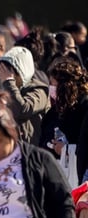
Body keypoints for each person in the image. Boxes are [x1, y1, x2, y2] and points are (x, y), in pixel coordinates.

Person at [40, 57, 88, 186]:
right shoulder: (56, 109)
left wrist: (66, 149)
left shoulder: (84, 107)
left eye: (54, 84)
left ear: (66, 85)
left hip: (78, 177)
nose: (51, 88)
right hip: (54, 175)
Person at [0, 46, 49, 145]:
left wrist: (9, 82)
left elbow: (22, 110)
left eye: (10, 73)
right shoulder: (8, 90)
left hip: (33, 153)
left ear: (22, 72)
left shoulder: (39, 90)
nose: (4, 77)